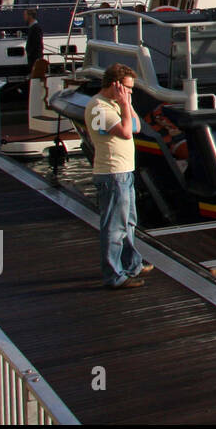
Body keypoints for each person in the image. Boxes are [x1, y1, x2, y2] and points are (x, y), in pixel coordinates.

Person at [84, 63, 153, 289]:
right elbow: (124, 131)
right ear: (115, 85)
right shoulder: (98, 107)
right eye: (127, 88)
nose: (130, 92)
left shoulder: (115, 104)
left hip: (124, 172)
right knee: (114, 226)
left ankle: (132, 263)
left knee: (129, 222)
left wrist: (127, 104)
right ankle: (114, 274)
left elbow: (136, 127)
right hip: (112, 173)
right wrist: (124, 104)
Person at [23, 8, 46, 78]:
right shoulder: (32, 28)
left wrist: (32, 54)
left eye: (25, 15)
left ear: (30, 16)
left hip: (34, 59)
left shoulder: (36, 28)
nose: (24, 17)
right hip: (32, 59)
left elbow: (37, 45)